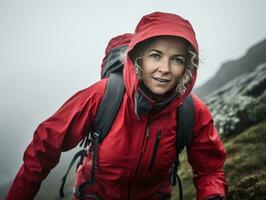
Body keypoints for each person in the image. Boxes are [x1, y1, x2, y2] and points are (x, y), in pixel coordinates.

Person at [5, 12, 228, 200]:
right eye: (155, 56)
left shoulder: (192, 111)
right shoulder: (102, 96)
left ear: (188, 67)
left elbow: (210, 169)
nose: (165, 68)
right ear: (138, 58)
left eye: (177, 59)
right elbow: (44, 146)